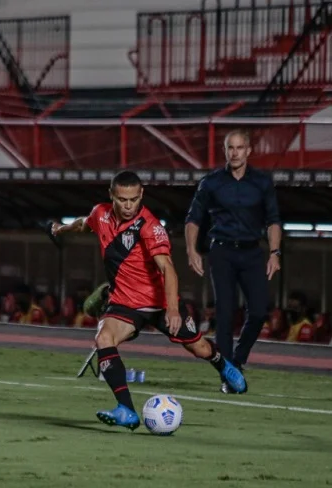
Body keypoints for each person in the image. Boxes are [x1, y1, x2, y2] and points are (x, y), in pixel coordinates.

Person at [53, 170, 245, 431]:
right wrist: (59, 229)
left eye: (133, 199)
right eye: (122, 199)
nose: (129, 206)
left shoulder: (151, 227)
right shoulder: (101, 213)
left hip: (161, 304)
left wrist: (174, 310)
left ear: (141, 194)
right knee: (104, 339)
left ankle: (222, 365)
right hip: (125, 302)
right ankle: (126, 410)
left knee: (198, 348)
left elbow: (168, 269)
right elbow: (83, 223)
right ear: (112, 196)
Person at [184, 129, 281, 394]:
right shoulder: (211, 182)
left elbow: (273, 220)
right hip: (222, 252)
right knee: (224, 315)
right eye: (230, 148)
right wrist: (192, 250)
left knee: (259, 311)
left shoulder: (262, 182)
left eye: (240, 148)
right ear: (224, 151)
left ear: (249, 150)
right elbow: (193, 218)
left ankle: (237, 361)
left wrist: (275, 253)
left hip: (252, 253)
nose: (235, 153)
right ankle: (227, 375)